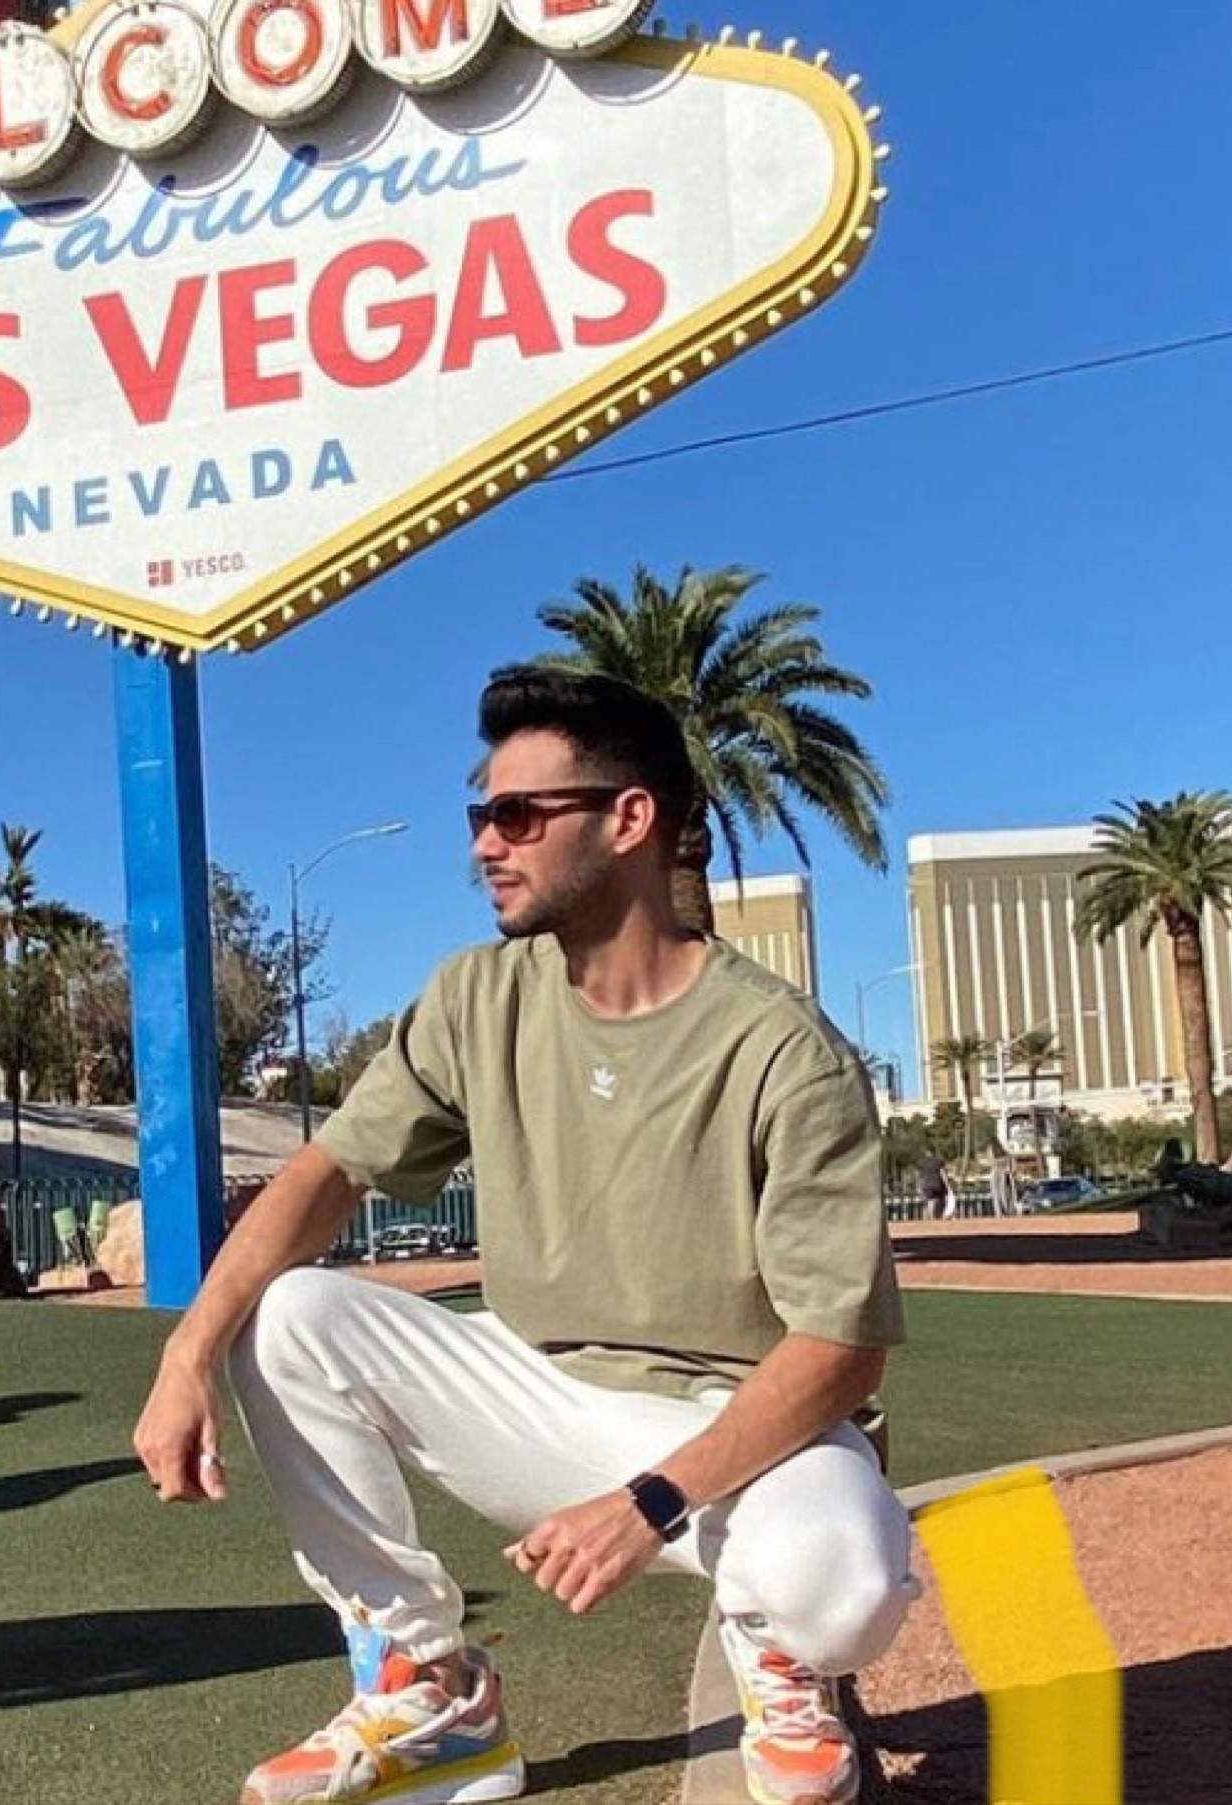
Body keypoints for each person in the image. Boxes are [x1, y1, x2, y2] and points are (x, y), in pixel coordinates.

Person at [135, 666, 916, 1805]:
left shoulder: (784, 1053)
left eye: (516, 814)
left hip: (735, 1431)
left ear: (629, 818)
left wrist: (651, 1500)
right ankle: (430, 1688)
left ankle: (779, 1651)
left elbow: (842, 1350)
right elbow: (327, 1170)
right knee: (287, 1313)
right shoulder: (477, 997)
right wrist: (187, 1349)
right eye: (481, 815)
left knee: (846, 1583)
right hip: (536, 1388)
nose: (485, 846)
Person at [916, 1153, 955, 1221]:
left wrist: (918, 1186)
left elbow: (919, 1175)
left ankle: (930, 1217)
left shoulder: (921, 1162)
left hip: (926, 1184)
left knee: (929, 1201)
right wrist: (947, 1185)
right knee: (939, 1199)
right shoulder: (938, 1161)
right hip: (936, 1184)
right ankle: (938, 1216)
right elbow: (942, 1173)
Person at [987, 1143, 1019, 1218]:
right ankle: (999, 1212)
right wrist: (1003, 1160)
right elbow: (992, 1161)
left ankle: (1006, 1210)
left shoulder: (1006, 1150)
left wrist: (1002, 1161)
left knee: (1003, 1192)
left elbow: (1010, 1161)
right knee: (996, 1193)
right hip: (996, 1171)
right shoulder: (991, 1148)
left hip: (1003, 1171)